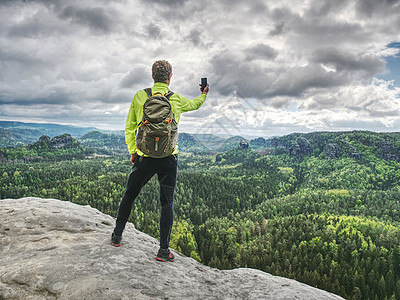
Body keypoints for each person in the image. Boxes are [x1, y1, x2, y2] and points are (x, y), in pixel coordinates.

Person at [111, 60, 209, 262]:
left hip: (144, 157)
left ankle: (117, 236)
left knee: (129, 196)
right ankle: (163, 250)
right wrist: (204, 93)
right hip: (168, 157)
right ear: (170, 77)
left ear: (152, 76)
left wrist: (133, 151)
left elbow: (130, 127)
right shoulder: (177, 99)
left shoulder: (140, 96)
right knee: (167, 202)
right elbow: (196, 104)